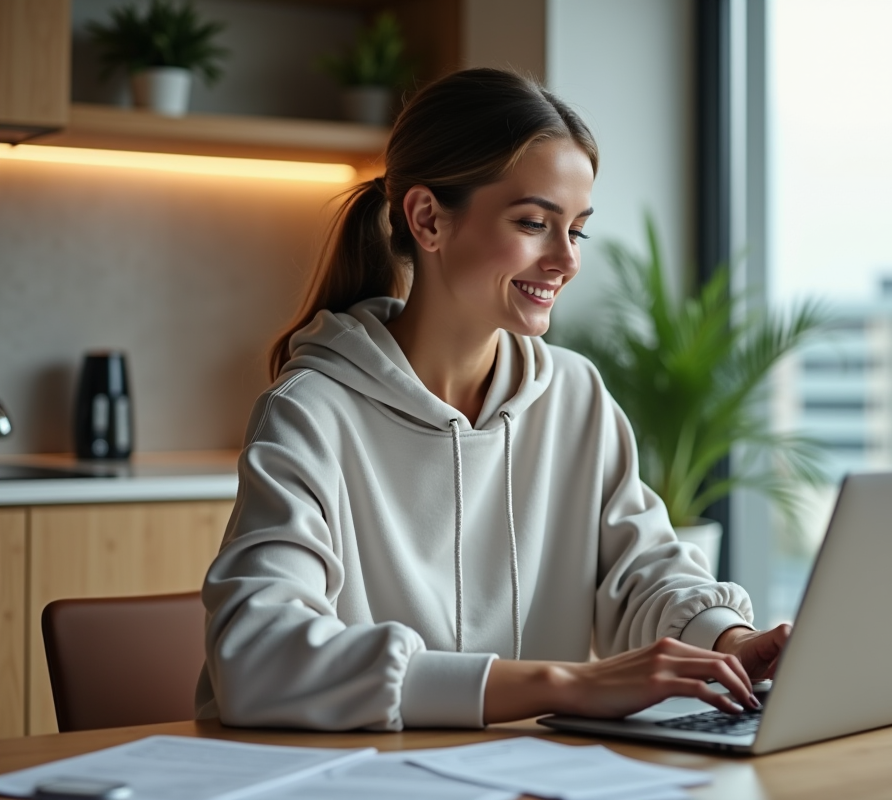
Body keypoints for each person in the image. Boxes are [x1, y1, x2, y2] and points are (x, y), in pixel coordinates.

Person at [196, 68, 790, 731]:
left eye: (578, 230)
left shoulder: (574, 395)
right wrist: (564, 684)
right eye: (535, 222)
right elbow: (259, 659)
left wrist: (728, 642)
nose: (566, 259)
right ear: (428, 219)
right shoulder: (311, 412)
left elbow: (643, 571)